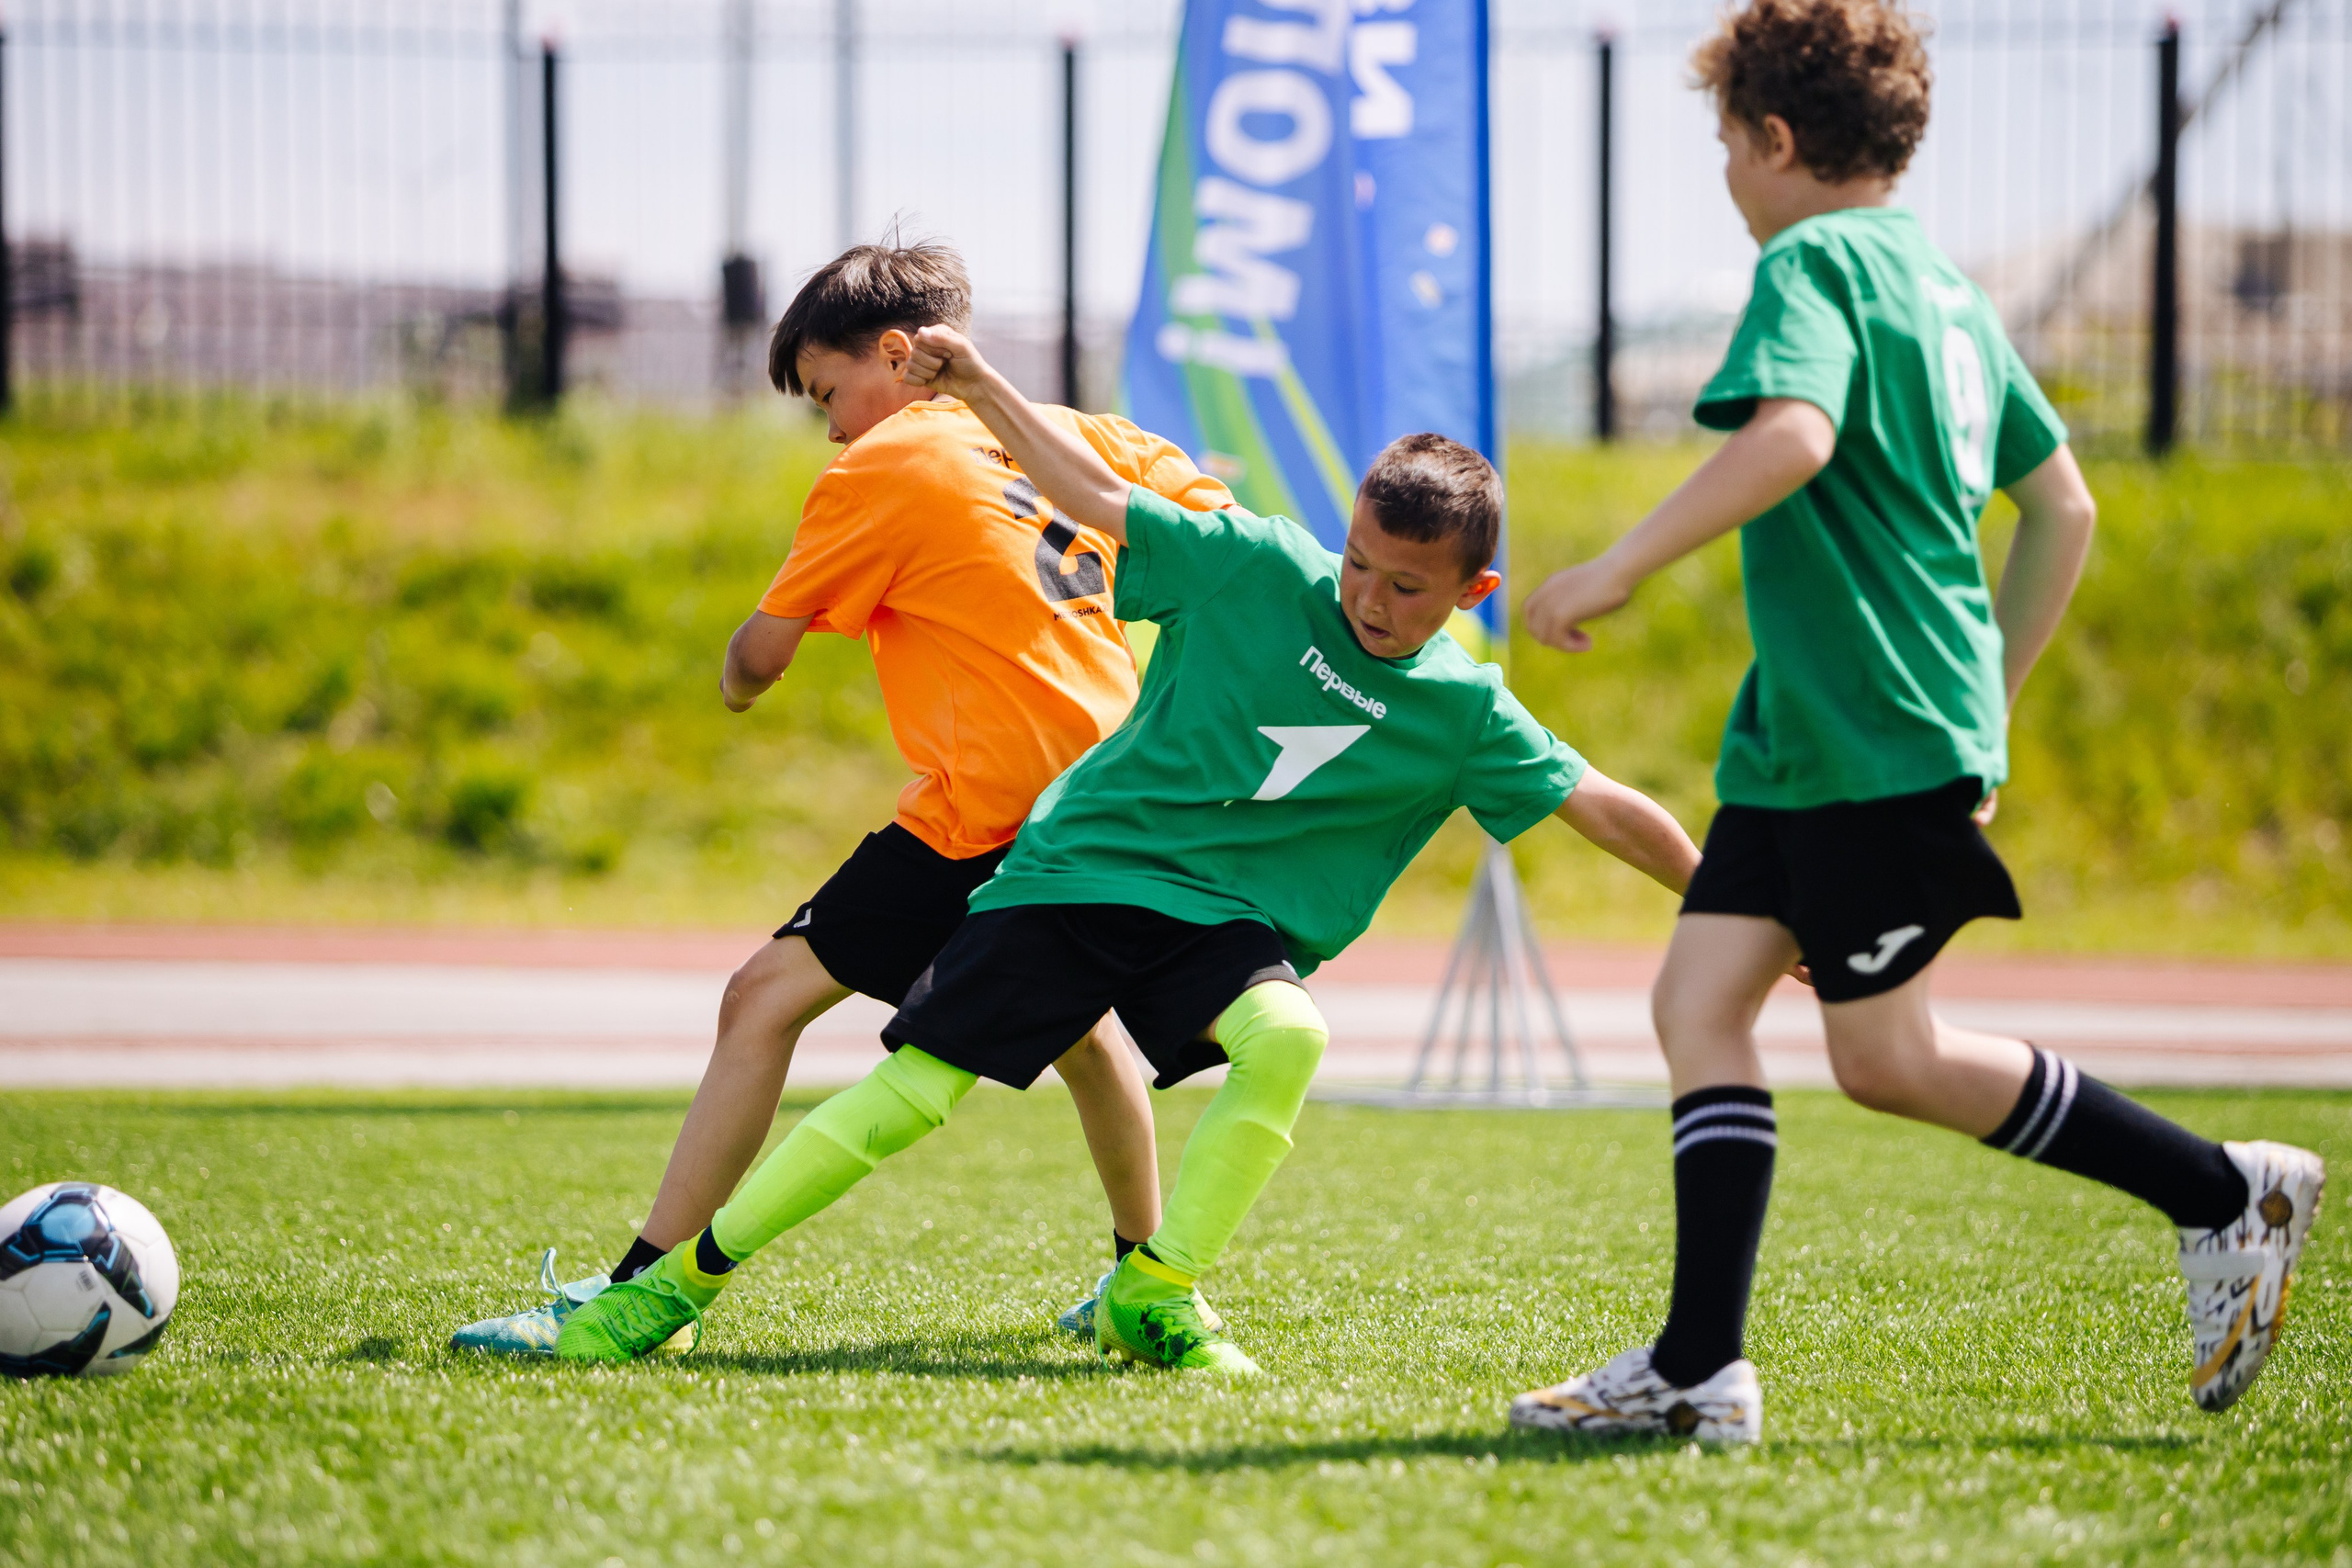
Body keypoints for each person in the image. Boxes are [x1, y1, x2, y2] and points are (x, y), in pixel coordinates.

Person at [548, 326, 1706, 1373]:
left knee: (1288, 1036)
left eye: (1407, 587)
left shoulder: (1465, 710)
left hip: (1215, 916)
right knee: (915, 1094)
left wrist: (1724, 901)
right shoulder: (1258, 563)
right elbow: (1095, 497)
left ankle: (1153, 1289)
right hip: (1079, 871)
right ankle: (676, 1287)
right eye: (1358, 560)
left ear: (1474, 591)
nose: (1366, 596)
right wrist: (983, 386)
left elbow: (1603, 805)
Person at [1508, 0, 2322, 1444]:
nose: (1727, 176)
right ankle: (1699, 1367)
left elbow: (1795, 434)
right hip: (1807, 736)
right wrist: (1986, 705)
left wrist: (1617, 565)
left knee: (1887, 1056)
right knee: (1699, 1002)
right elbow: (2063, 505)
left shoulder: (1811, 262)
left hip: (1869, 729)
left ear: (1773, 138)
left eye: (1725, 146)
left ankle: (2222, 1188)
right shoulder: (1943, 286)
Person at [450, 240, 1237, 1356]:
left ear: (899, 354)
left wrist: (734, 671)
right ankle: (1145, 1282)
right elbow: (1222, 532)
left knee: (763, 997)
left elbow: (757, 662)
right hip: (1111, 802)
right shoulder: (1083, 437)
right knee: (1082, 1031)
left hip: (988, 814)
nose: (830, 429)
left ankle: (639, 1290)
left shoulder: (886, 463)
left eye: (828, 393)